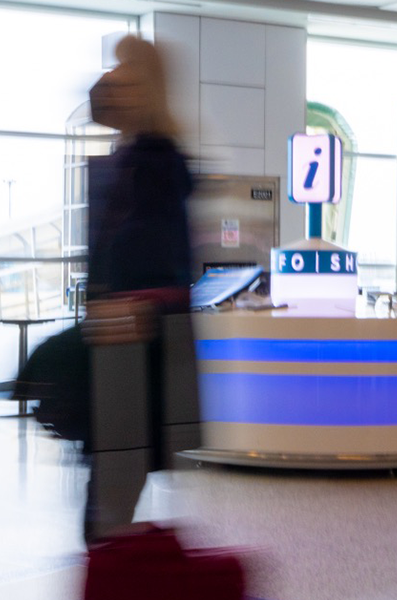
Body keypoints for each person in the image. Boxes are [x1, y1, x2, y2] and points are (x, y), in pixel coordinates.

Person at [82, 34, 200, 544]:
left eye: (125, 74)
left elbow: (156, 256)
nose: (111, 83)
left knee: (113, 490)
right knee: (112, 488)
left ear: (147, 87)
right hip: (127, 347)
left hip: (133, 349)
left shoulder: (155, 161)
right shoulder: (135, 155)